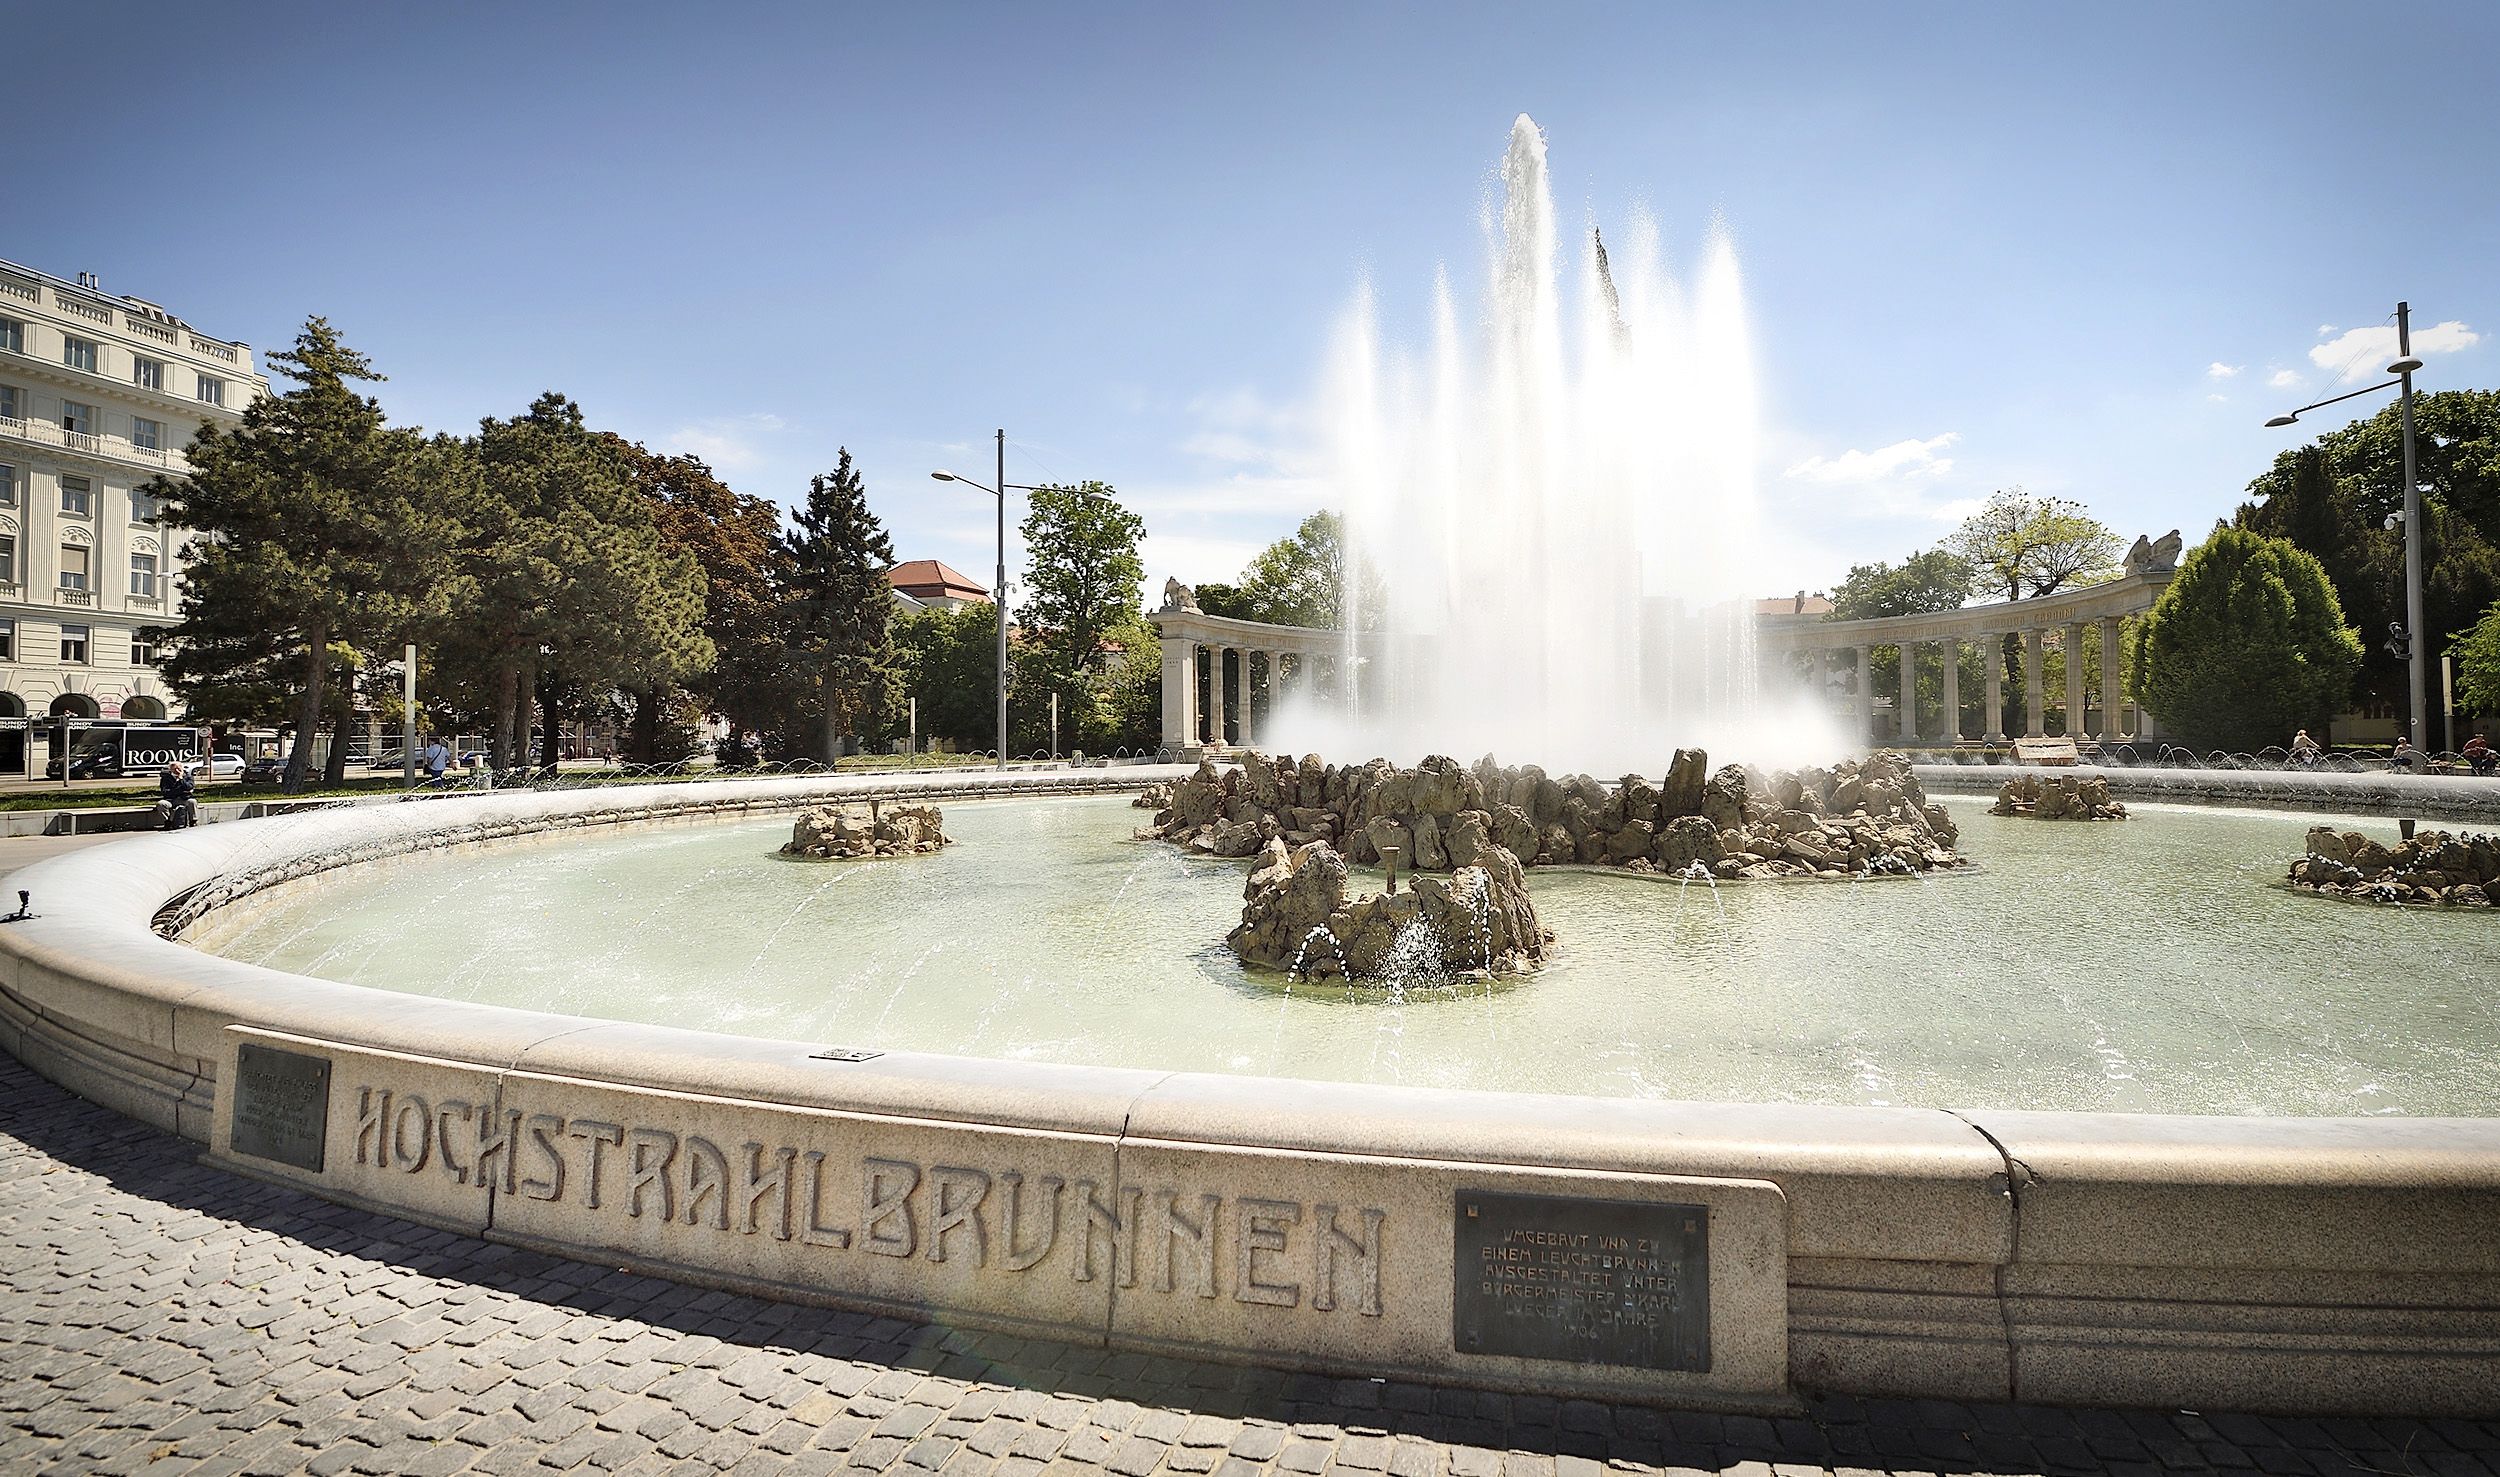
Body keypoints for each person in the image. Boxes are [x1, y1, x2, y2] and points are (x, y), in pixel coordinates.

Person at [156, 758, 198, 831]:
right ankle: (168, 821)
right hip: (171, 799)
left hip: (184, 799)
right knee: (161, 804)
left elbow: (189, 787)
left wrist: (181, 779)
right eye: (174, 769)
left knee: (192, 802)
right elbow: (165, 792)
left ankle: (193, 821)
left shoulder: (188, 777)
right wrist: (180, 790)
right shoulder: (166, 778)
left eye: (178, 768)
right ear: (171, 770)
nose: (177, 771)